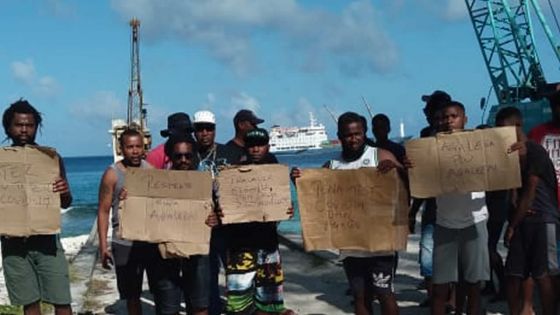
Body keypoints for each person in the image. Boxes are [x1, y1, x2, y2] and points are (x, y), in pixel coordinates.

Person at [293, 112, 404, 315]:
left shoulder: (379, 155)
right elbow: (314, 193)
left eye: (357, 134)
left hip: (380, 245)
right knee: (359, 296)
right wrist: (298, 180)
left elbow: (406, 183)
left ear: (364, 133)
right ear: (340, 135)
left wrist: (396, 167)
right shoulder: (333, 165)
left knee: (384, 292)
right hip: (351, 245)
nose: (353, 139)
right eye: (348, 135)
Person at [408, 101, 490, 315]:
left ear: (464, 119)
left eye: (453, 116)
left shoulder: (480, 144)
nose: (448, 121)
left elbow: (502, 162)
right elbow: (420, 184)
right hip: (444, 224)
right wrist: (410, 166)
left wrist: (516, 149)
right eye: (443, 118)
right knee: (440, 285)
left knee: (473, 285)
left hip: (475, 222)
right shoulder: (429, 148)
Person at [0, 99, 73, 315]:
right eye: (18, 124)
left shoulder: (50, 158)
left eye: (29, 125)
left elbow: (66, 202)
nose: (24, 129)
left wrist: (64, 191)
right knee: (29, 303)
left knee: (61, 301)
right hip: (13, 245)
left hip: (47, 242)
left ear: (36, 127)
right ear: (8, 127)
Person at [98, 128, 171, 315]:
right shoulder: (112, 174)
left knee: (159, 290)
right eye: (130, 147)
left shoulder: (151, 171)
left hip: (149, 242)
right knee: (132, 295)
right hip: (124, 243)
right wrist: (103, 246)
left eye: (138, 146)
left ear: (144, 147)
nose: (135, 151)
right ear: (121, 148)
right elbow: (104, 211)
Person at [221, 128, 293, 315]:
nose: (256, 149)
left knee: (269, 298)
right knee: (238, 299)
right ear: (246, 147)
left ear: (267, 146)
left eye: (260, 145)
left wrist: (287, 209)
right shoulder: (233, 172)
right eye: (251, 145)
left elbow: (281, 203)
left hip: (268, 243)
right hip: (240, 244)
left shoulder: (275, 169)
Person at [499, 106, 559, 315]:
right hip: (521, 220)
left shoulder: (535, 151)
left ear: (518, 126)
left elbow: (530, 193)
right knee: (514, 274)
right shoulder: (510, 154)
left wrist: (512, 226)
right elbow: (513, 191)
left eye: (504, 130)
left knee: (543, 273)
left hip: (542, 219)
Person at [159, 134, 219, 315]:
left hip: (198, 252)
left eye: (188, 155)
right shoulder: (158, 183)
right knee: (169, 309)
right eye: (178, 156)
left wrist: (216, 218)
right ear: (170, 156)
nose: (183, 160)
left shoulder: (207, 182)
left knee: (200, 306)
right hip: (167, 254)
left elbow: (225, 209)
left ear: (194, 155)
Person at [192, 110, 240, 315]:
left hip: (228, 226)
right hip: (200, 226)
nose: (204, 133)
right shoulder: (187, 155)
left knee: (236, 272)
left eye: (208, 128)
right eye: (200, 129)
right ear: (194, 131)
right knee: (207, 275)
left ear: (215, 130)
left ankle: (238, 308)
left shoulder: (230, 153)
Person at [407, 91, 451, 309]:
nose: (424, 113)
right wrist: (413, 209)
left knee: (450, 255)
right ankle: (434, 296)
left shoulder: (459, 138)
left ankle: (448, 299)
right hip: (431, 204)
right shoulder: (425, 135)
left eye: (428, 110)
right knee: (427, 254)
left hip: (453, 206)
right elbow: (421, 177)